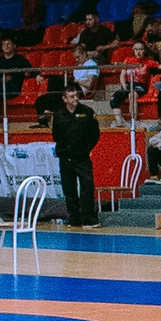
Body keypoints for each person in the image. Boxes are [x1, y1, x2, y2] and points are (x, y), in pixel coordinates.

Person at [49, 86, 101, 227]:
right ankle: (73, 219)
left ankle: (89, 218)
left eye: (77, 95)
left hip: (82, 157)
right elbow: (56, 135)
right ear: (64, 99)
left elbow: (95, 134)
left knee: (87, 187)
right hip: (65, 157)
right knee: (69, 189)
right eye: (72, 96)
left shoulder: (87, 112)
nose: (76, 98)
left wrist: (85, 149)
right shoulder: (58, 114)